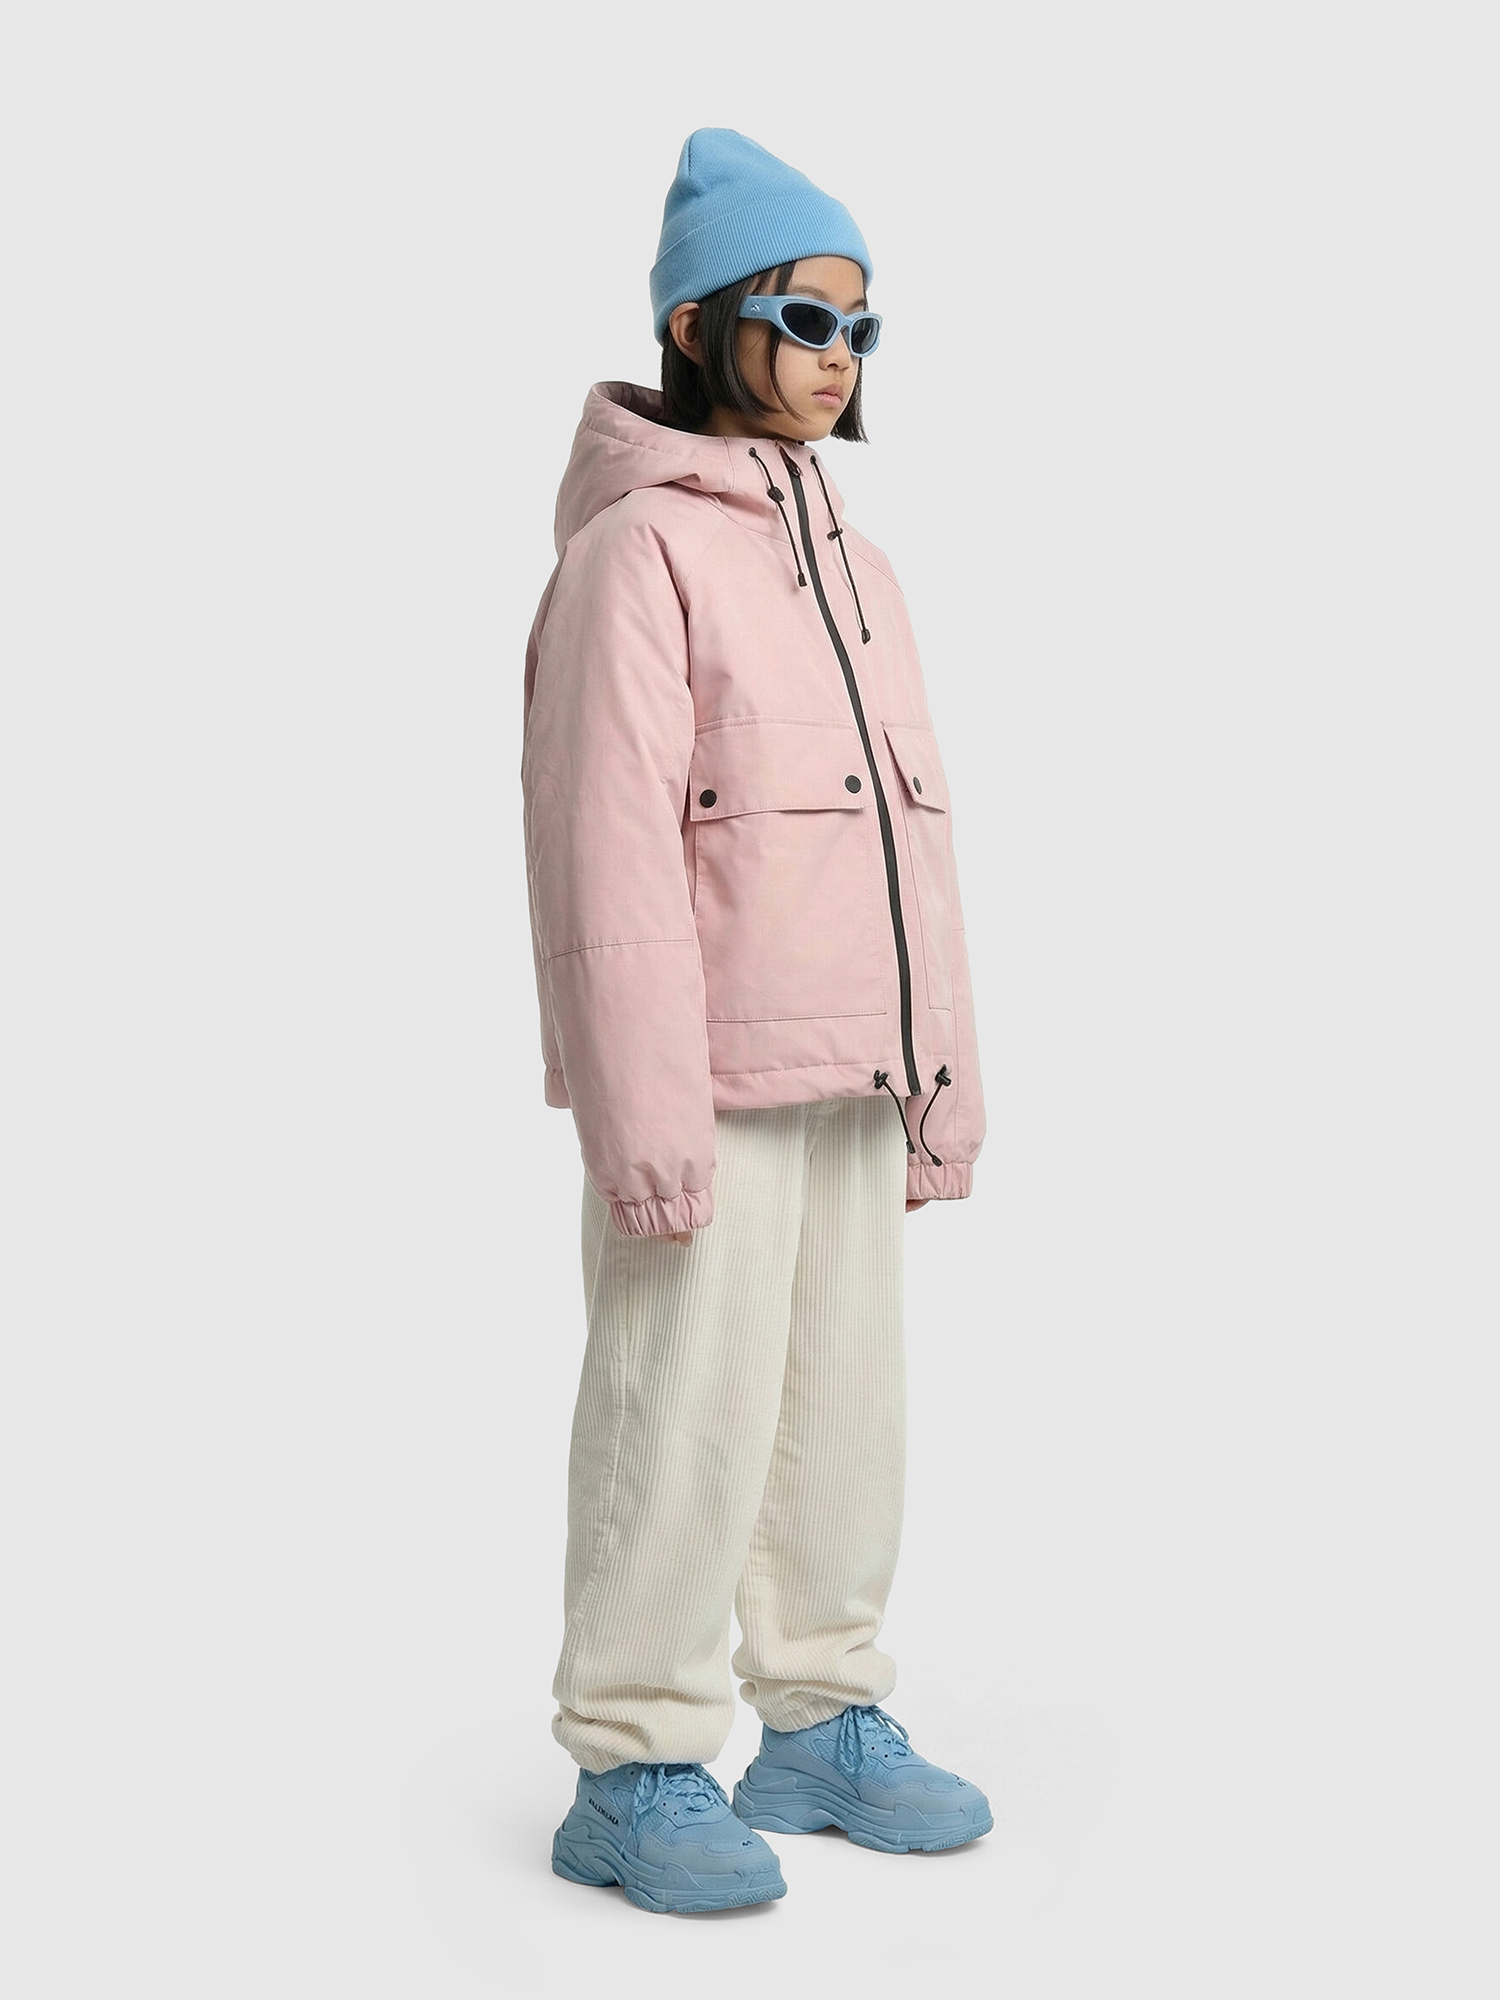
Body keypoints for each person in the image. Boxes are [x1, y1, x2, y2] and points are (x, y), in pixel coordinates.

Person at [520, 128, 991, 1915]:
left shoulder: (863, 566)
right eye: (804, 317)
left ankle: (819, 1715)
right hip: (705, 1081)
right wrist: (642, 1127)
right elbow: (604, 855)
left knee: (843, 1412)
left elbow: (913, 853)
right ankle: (633, 1760)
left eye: (861, 328)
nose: (834, 356)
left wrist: (940, 1086)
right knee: (683, 1410)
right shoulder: (637, 554)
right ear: (697, 322)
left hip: (853, 1068)